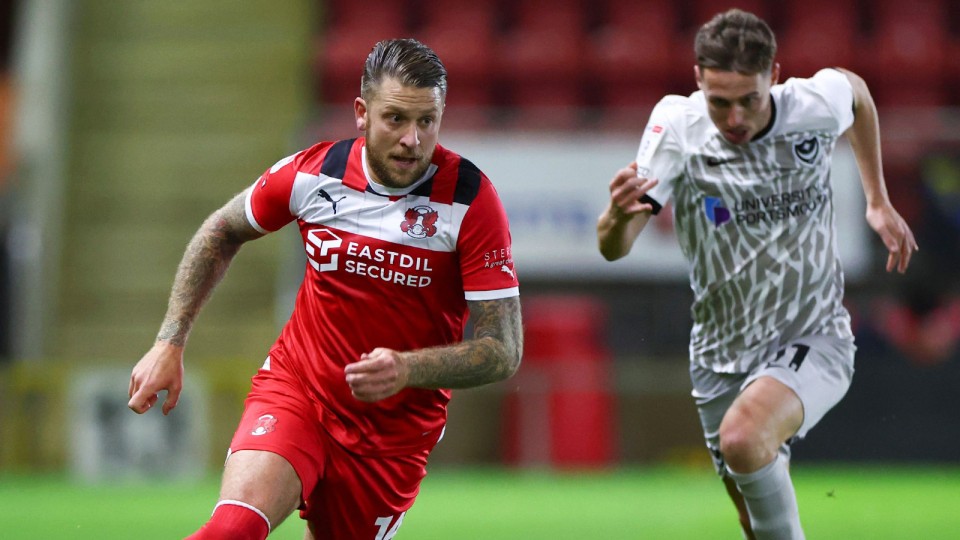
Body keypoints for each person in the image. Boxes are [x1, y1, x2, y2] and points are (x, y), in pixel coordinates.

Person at [128, 38, 522, 540]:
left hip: (392, 437)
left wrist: (407, 368)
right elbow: (221, 231)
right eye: (395, 119)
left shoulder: (471, 200)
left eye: (427, 121)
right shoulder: (313, 175)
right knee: (231, 530)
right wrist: (170, 340)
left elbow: (503, 350)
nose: (412, 140)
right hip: (301, 392)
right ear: (361, 112)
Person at [597, 9, 917, 540]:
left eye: (750, 99)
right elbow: (617, 247)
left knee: (744, 437)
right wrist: (614, 217)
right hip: (720, 354)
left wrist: (877, 199)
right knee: (753, 517)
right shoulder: (677, 125)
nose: (736, 118)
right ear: (698, 80)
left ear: (775, 74)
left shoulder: (811, 106)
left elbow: (856, 93)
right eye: (721, 102)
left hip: (814, 335)